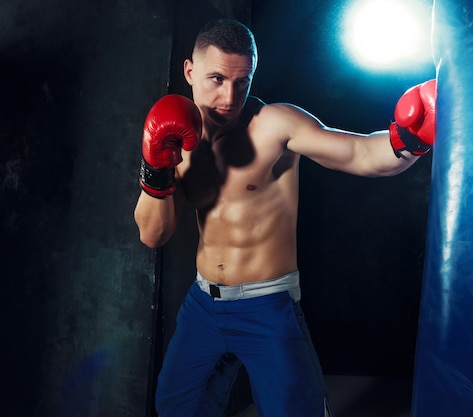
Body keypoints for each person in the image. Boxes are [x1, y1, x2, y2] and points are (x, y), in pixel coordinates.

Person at [134, 18, 436, 417]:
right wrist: (155, 168)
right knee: (177, 407)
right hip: (203, 305)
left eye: (242, 82)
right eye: (217, 79)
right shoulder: (175, 138)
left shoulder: (274, 125)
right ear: (190, 71)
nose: (229, 96)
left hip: (266, 304)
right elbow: (154, 235)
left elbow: (360, 154)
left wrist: (410, 138)